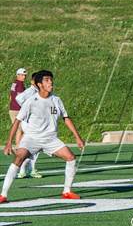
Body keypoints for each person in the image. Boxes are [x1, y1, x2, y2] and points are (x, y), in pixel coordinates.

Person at [0, 70, 85, 203]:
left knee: (71, 158)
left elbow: (66, 118)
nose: (50, 82)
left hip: (50, 139)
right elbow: (17, 121)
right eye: (46, 80)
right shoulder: (31, 101)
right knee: (19, 157)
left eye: (51, 79)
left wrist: (78, 138)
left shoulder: (57, 100)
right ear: (39, 84)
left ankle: (67, 191)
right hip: (31, 138)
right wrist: (9, 142)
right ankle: (3, 195)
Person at [15, 71, 43, 179]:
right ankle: (26, 169)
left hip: (35, 122)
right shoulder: (30, 91)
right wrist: (27, 108)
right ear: (32, 82)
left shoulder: (39, 91)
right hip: (29, 123)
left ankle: (27, 169)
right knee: (33, 146)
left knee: (34, 147)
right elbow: (18, 99)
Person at [9, 68, 26, 147]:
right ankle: (18, 147)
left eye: (25, 75)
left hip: (12, 109)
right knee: (21, 129)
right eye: (22, 75)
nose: (24, 77)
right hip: (18, 110)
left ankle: (18, 146)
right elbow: (20, 99)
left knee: (19, 129)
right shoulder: (20, 85)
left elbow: (10, 96)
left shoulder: (14, 83)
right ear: (18, 75)